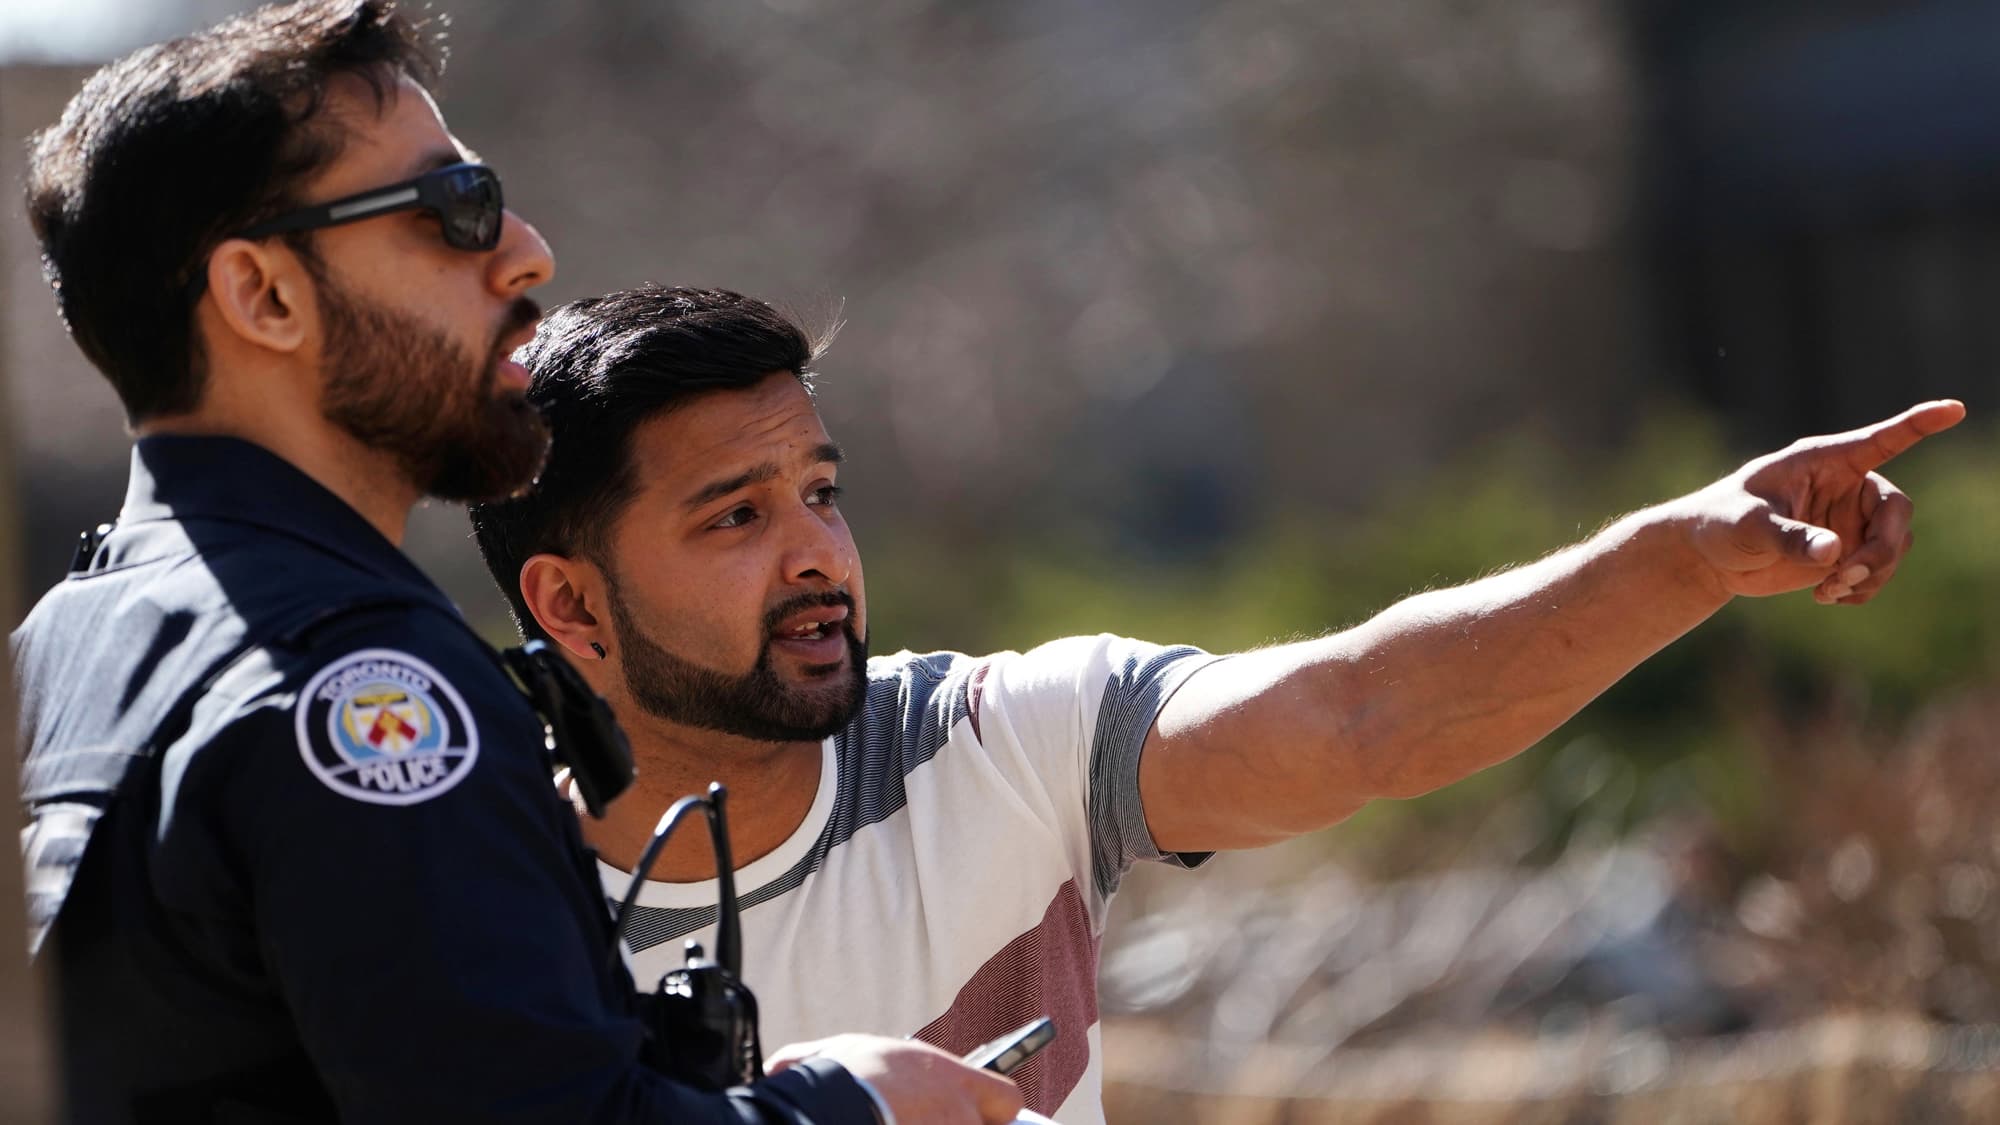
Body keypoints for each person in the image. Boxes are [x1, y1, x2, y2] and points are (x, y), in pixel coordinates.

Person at [468, 284, 1965, 1122]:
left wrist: (1680, 555)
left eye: (823, 490)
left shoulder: (999, 739)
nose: (816, 555)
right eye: (734, 517)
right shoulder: (452, 902)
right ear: (571, 605)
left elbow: (1361, 716)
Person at [12, 5, 1023, 1123]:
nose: (525, 250)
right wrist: (854, 1108)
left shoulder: (57, 648)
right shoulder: (366, 685)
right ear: (265, 295)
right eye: (454, 208)